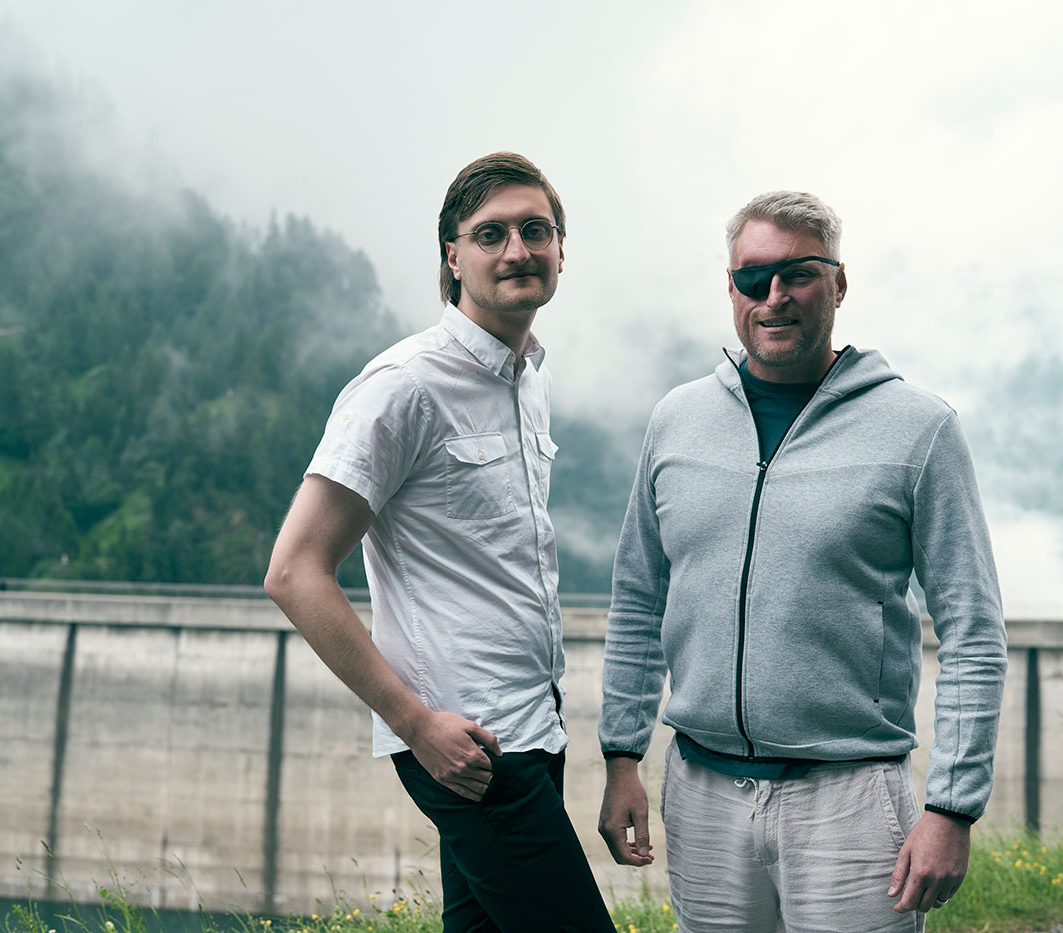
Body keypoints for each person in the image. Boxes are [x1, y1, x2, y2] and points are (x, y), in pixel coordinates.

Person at [596, 191, 1008, 933]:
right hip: (703, 795)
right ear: (731, 290)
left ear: (839, 283)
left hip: (852, 802)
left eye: (799, 274)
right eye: (753, 278)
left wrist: (952, 807)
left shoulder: (919, 429)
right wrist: (622, 755)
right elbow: (637, 600)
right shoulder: (676, 421)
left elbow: (973, 630)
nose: (774, 296)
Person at [265, 152, 611, 933]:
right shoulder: (403, 385)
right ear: (453, 257)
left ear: (561, 249)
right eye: (491, 234)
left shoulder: (530, 378)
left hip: (534, 725)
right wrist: (416, 723)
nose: (517, 249)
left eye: (536, 230)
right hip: (469, 745)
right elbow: (294, 571)